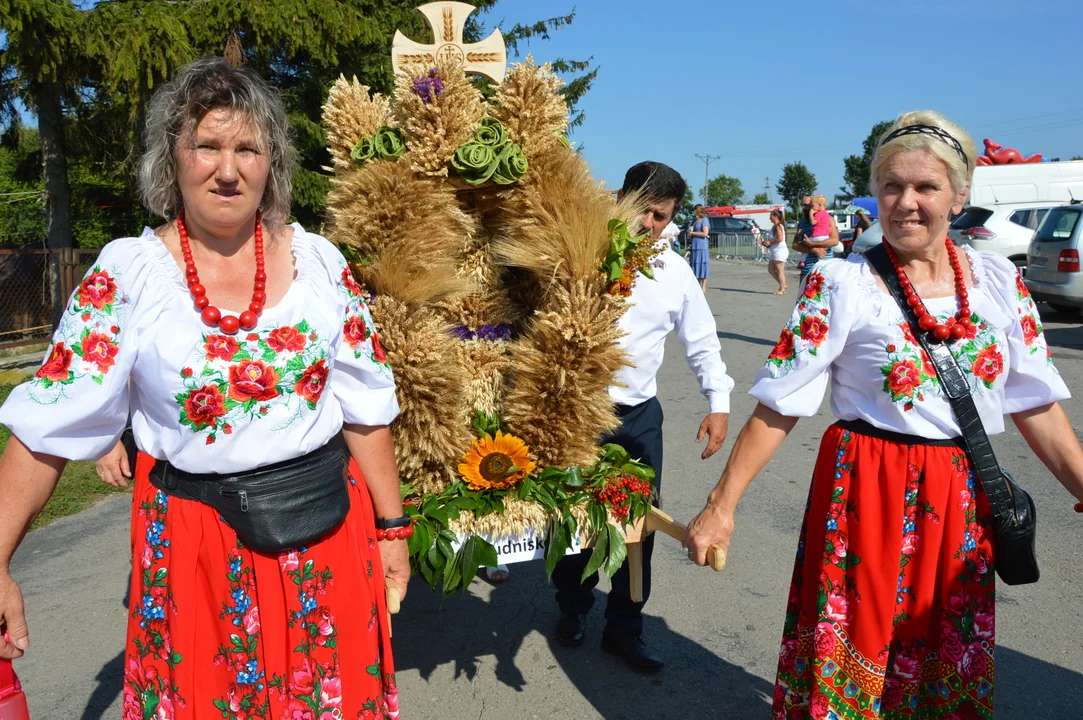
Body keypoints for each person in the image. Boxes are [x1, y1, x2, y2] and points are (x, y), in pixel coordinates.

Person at [0, 57, 410, 717]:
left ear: (271, 162)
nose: (228, 168)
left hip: (325, 534)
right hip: (194, 551)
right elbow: (48, 424)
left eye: (247, 148)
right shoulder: (128, 276)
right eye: (208, 146)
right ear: (173, 158)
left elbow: (366, 406)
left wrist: (392, 530)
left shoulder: (321, 264)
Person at [684, 110, 1083, 718]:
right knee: (857, 656)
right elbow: (780, 404)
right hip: (866, 492)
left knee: (945, 658)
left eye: (926, 187)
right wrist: (721, 505)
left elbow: (1036, 402)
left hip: (961, 497)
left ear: (959, 194)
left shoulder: (1000, 280)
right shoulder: (839, 283)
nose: (907, 202)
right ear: (874, 194)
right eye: (892, 186)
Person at [553, 161, 734, 672]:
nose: (650, 224)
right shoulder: (578, 252)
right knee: (574, 522)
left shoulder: (674, 270)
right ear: (621, 198)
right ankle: (572, 608)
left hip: (638, 418)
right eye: (644, 210)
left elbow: (701, 341)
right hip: (578, 415)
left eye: (662, 216)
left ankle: (625, 629)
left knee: (641, 525)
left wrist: (718, 403)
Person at [763, 209, 789, 294]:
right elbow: (775, 239)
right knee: (771, 269)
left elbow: (780, 238)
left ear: (775, 216)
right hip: (774, 252)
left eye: (771, 216)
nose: (769, 218)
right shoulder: (774, 227)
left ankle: (782, 289)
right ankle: (783, 285)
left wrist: (770, 242)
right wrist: (767, 244)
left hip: (780, 252)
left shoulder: (778, 226)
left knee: (779, 270)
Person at [688, 204, 711, 292]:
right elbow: (689, 230)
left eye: (694, 210)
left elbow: (705, 233)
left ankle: (704, 286)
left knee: (702, 264)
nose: (693, 212)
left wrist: (693, 233)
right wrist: (690, 230)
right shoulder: (694, 220)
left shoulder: (704, 220)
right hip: (695, 245)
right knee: (695, 264)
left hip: (702, 245)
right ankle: (696, 284)